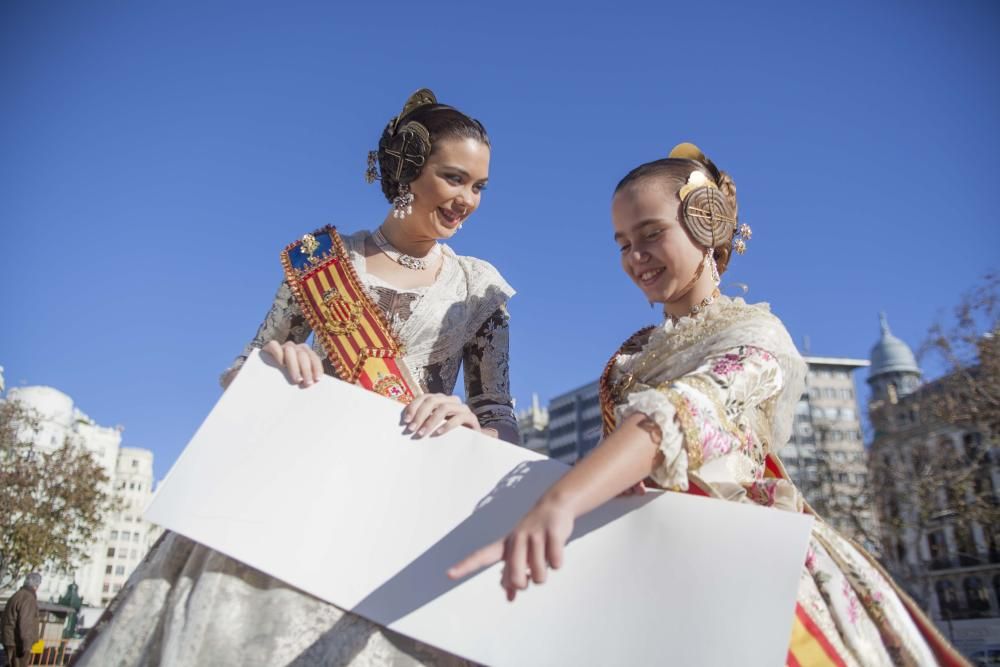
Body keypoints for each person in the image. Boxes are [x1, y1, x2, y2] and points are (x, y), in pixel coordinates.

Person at [451, 143, 969, 666]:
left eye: (651, 234)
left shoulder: (755, 333)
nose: (635, 256)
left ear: (708, 226)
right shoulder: (634, 352)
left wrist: (561, 502)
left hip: (740, 567)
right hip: (646, 566)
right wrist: (476, 434)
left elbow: (685, 411)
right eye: (623, 243)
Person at [75, 89, 515, 666]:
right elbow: (242, 373)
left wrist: (468, 423)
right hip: (295, 496)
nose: (468, 200)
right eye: (455, 178)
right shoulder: (321, 261)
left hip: (405, 511)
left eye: (479, 186)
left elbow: (500, 421)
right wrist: (274, 366)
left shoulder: (478, 287)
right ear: (409, 168)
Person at [1, 573, 40, 667]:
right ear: (36, 586)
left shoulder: (16, 595)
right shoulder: (28, 598)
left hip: (9, 639)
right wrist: (27, 645)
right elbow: (25, 623)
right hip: (18, 643)